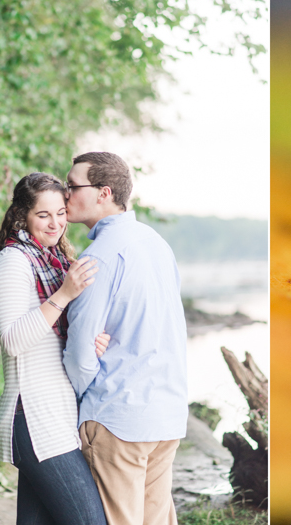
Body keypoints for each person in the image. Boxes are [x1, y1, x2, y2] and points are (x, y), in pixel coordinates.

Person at [0, 172, 110, 525]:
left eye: (60, 213)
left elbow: (52, 337)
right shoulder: (13, 262)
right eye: (43, 215)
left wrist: (88, 341)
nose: (56, 223)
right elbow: (15, 340)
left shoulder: (52, 260)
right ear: (23, 216)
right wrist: (64, 295)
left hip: (55, 415)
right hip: (34, 417)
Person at [62, 152, 188, 525]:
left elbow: (80, 346)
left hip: (119, 418)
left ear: (103, 192)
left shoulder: (100, 255)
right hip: (166, 415)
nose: (65, 193)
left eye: (72, 185)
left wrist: (86, 399)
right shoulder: (155, 243)